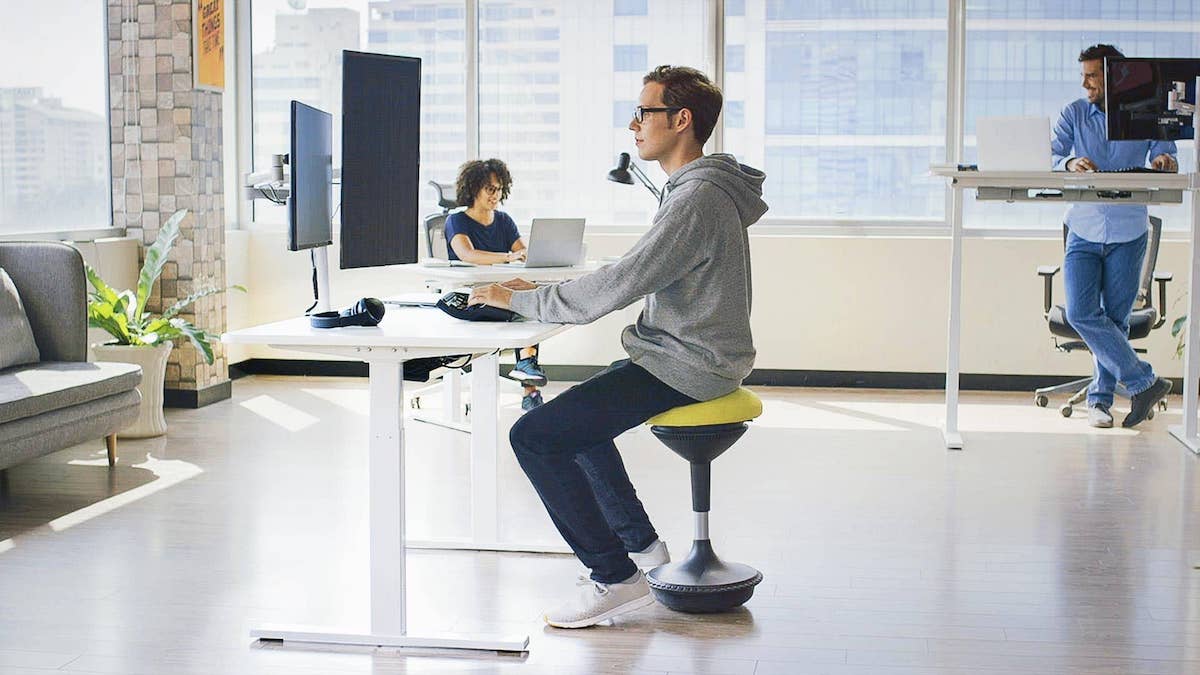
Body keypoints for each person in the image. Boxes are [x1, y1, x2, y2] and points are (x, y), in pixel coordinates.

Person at [468, 65, 767, 628]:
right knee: (570, 420)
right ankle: (644, 549)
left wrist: (523, 300)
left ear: (681, 120)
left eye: (644, 112)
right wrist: (542, 293)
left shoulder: (697, 197)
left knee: (533, 437)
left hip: (688, 362)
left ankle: (614, 578)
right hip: (685, 353)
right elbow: (642, 269)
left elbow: (625, 281)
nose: (633, 125)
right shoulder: (699, 189)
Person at [1052, 44, 1177, 429]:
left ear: (1113, 78)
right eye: (1084, 75)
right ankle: (1144, 382)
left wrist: (1164, 159)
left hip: (1128, 229)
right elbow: (1051, 155)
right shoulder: (1074, 113)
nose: (1085, 82)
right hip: (1084, 228)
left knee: (1116, 320)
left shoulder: (1144, 111)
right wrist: (1070, 162)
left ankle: (1100, 400)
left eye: (1092, 75)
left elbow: (1165, 149)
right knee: (1081, 313)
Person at [445, 158, 548, 411]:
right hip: (472, 294)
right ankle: (529, 381)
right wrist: (508, 257)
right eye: (490, 189)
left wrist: (525, 255)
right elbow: (467, 255)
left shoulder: (504, 220)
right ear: (474, 189)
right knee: (520, 307)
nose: (496, 194)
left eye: (499, 189)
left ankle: (527, 370)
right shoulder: (456, 220)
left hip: (501, 291)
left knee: (531, 298)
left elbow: (523, 252)